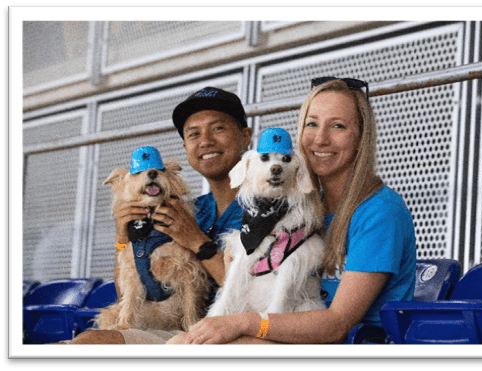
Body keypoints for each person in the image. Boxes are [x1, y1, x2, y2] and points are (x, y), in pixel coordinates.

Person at [167, 77, 416, 345]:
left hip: (351, 343)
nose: (320, 139)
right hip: (292, 333)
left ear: (360, 137)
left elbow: (337, 325)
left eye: (338, 126)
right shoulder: (300, 210)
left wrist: (242, 322)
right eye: (312, 124)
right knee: (179, 344)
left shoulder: (379, 211)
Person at [66, 87, 253, 344]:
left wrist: (197, 241)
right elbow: (129, 293)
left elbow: (256, 297)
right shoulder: (183, 208)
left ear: (246, 136)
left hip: (235, 333)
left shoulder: (267, 209)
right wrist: (123, 237)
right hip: (176, 330)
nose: (205, 141)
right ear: (186, 146)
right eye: (193, 133)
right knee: (79, 343)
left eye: (218, 128)